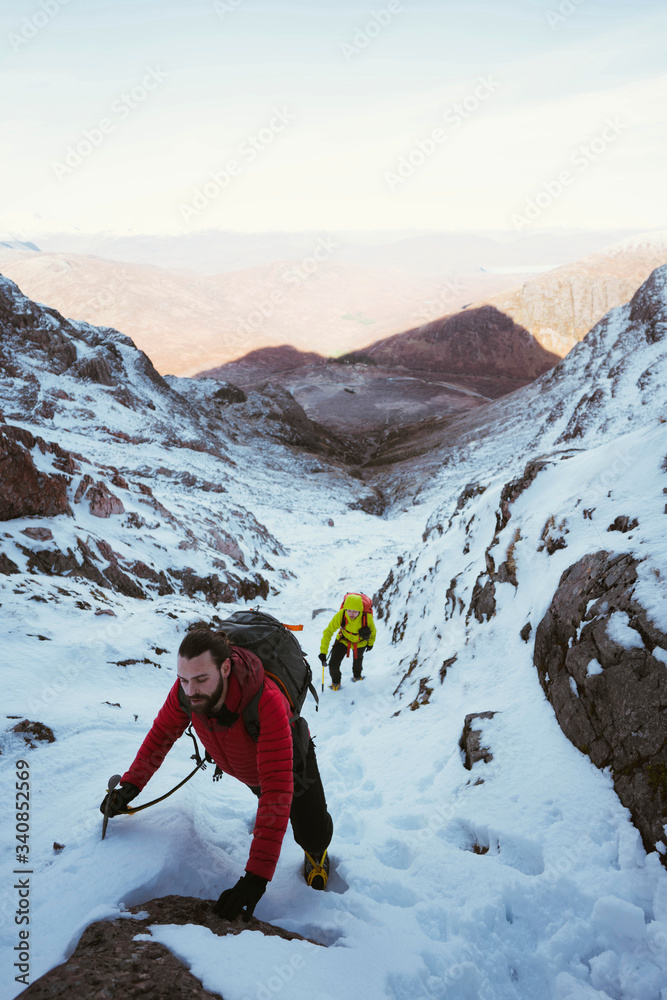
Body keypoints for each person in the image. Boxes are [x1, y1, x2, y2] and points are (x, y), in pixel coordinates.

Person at [100, 623, 333, 920]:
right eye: (183, 680)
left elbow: (277, 788)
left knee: (311, 831)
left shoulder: (266, 702)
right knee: (267, 800)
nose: (190, 690)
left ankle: (317, 852)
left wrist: (255, 879)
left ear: (225, 668)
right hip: (245, 763)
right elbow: (161, 735)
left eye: (200, 679)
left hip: (292, 765)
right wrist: (130, 787)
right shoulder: (187, 691)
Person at [319, 593, 376, 690]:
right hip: (343, 640)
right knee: (333, 664)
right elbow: (328, 632)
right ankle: (336, 682)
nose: (351, 614)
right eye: (349, 610)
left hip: (360, 642)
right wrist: (323, 652)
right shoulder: (341, 615)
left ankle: (357, 676)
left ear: (360, 610)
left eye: (354, 611)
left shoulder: (366, 617)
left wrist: (370, 644)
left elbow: (373, 632)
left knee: (358, 660)